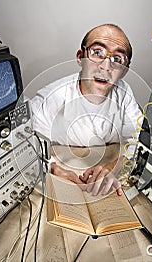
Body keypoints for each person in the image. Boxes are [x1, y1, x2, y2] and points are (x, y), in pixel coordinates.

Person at [30, 24, 142, 196]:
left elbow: (137, 141)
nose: (106, 66)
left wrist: (112, 168)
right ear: (80, 57)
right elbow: (27, 141)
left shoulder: (125, 95)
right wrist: (56, 169)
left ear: (124, 71)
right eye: (97, 52)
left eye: (117, 59)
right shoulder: (50, 98)